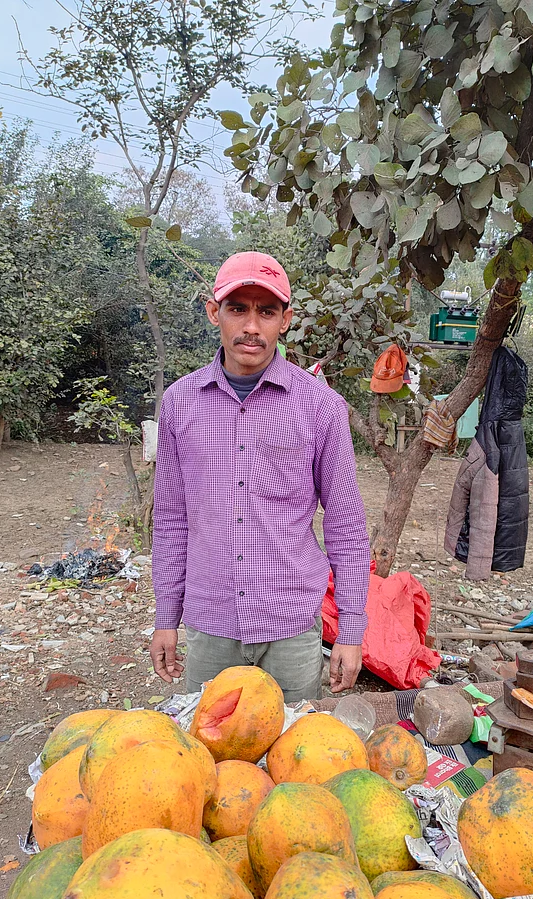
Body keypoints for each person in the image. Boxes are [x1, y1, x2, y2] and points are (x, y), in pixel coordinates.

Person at [149, 251, 371, 701]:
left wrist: (351, 630)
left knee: (292, 759)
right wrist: (165, 618)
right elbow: (171, 521)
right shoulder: (180, 403)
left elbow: (346, 526)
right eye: (238, 309)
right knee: (206, 758)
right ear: (215, 313)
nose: (252, 326)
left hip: (291, 624)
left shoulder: (320, 407)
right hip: (210, 624)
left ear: (285, 320)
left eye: (266, 311)